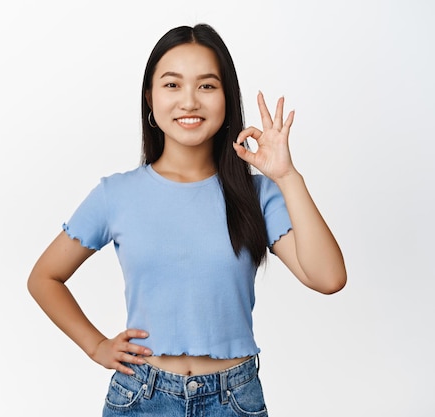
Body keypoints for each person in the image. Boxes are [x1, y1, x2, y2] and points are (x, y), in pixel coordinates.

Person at [27, 23, 346, 416]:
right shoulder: (116, 194)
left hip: (234, 399)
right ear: (150, 96)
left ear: (228, 97)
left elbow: (328, 278)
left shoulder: (257, 193)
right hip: (140, 396)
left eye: (207, 86)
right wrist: (96, 345)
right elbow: (44, 277)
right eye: (172, 85)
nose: (190, 101)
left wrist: (286, 176)